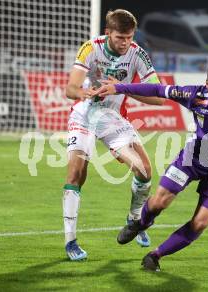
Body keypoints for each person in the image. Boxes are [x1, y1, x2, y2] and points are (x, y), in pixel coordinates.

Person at [96, 60, 208, 271]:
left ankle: (155, 255)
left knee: (200, 222)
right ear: (206, 84)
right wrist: (119, 87)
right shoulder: (196, 95)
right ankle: (141, 223)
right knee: (159, 202)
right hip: (191, 160)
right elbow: (158, 90)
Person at [63, 9, 164, 261]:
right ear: (108, 33)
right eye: (120, 37)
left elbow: (158, 94)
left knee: (144, 171)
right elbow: (70, 88)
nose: (125, 43)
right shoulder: (91, 47)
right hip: (85, 114)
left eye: (129, 37)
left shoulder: (137, 53)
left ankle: (134, 221)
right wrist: (86, 93)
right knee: (76, 173)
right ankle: (70, 241)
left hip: (112, 119)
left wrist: (121, 88)